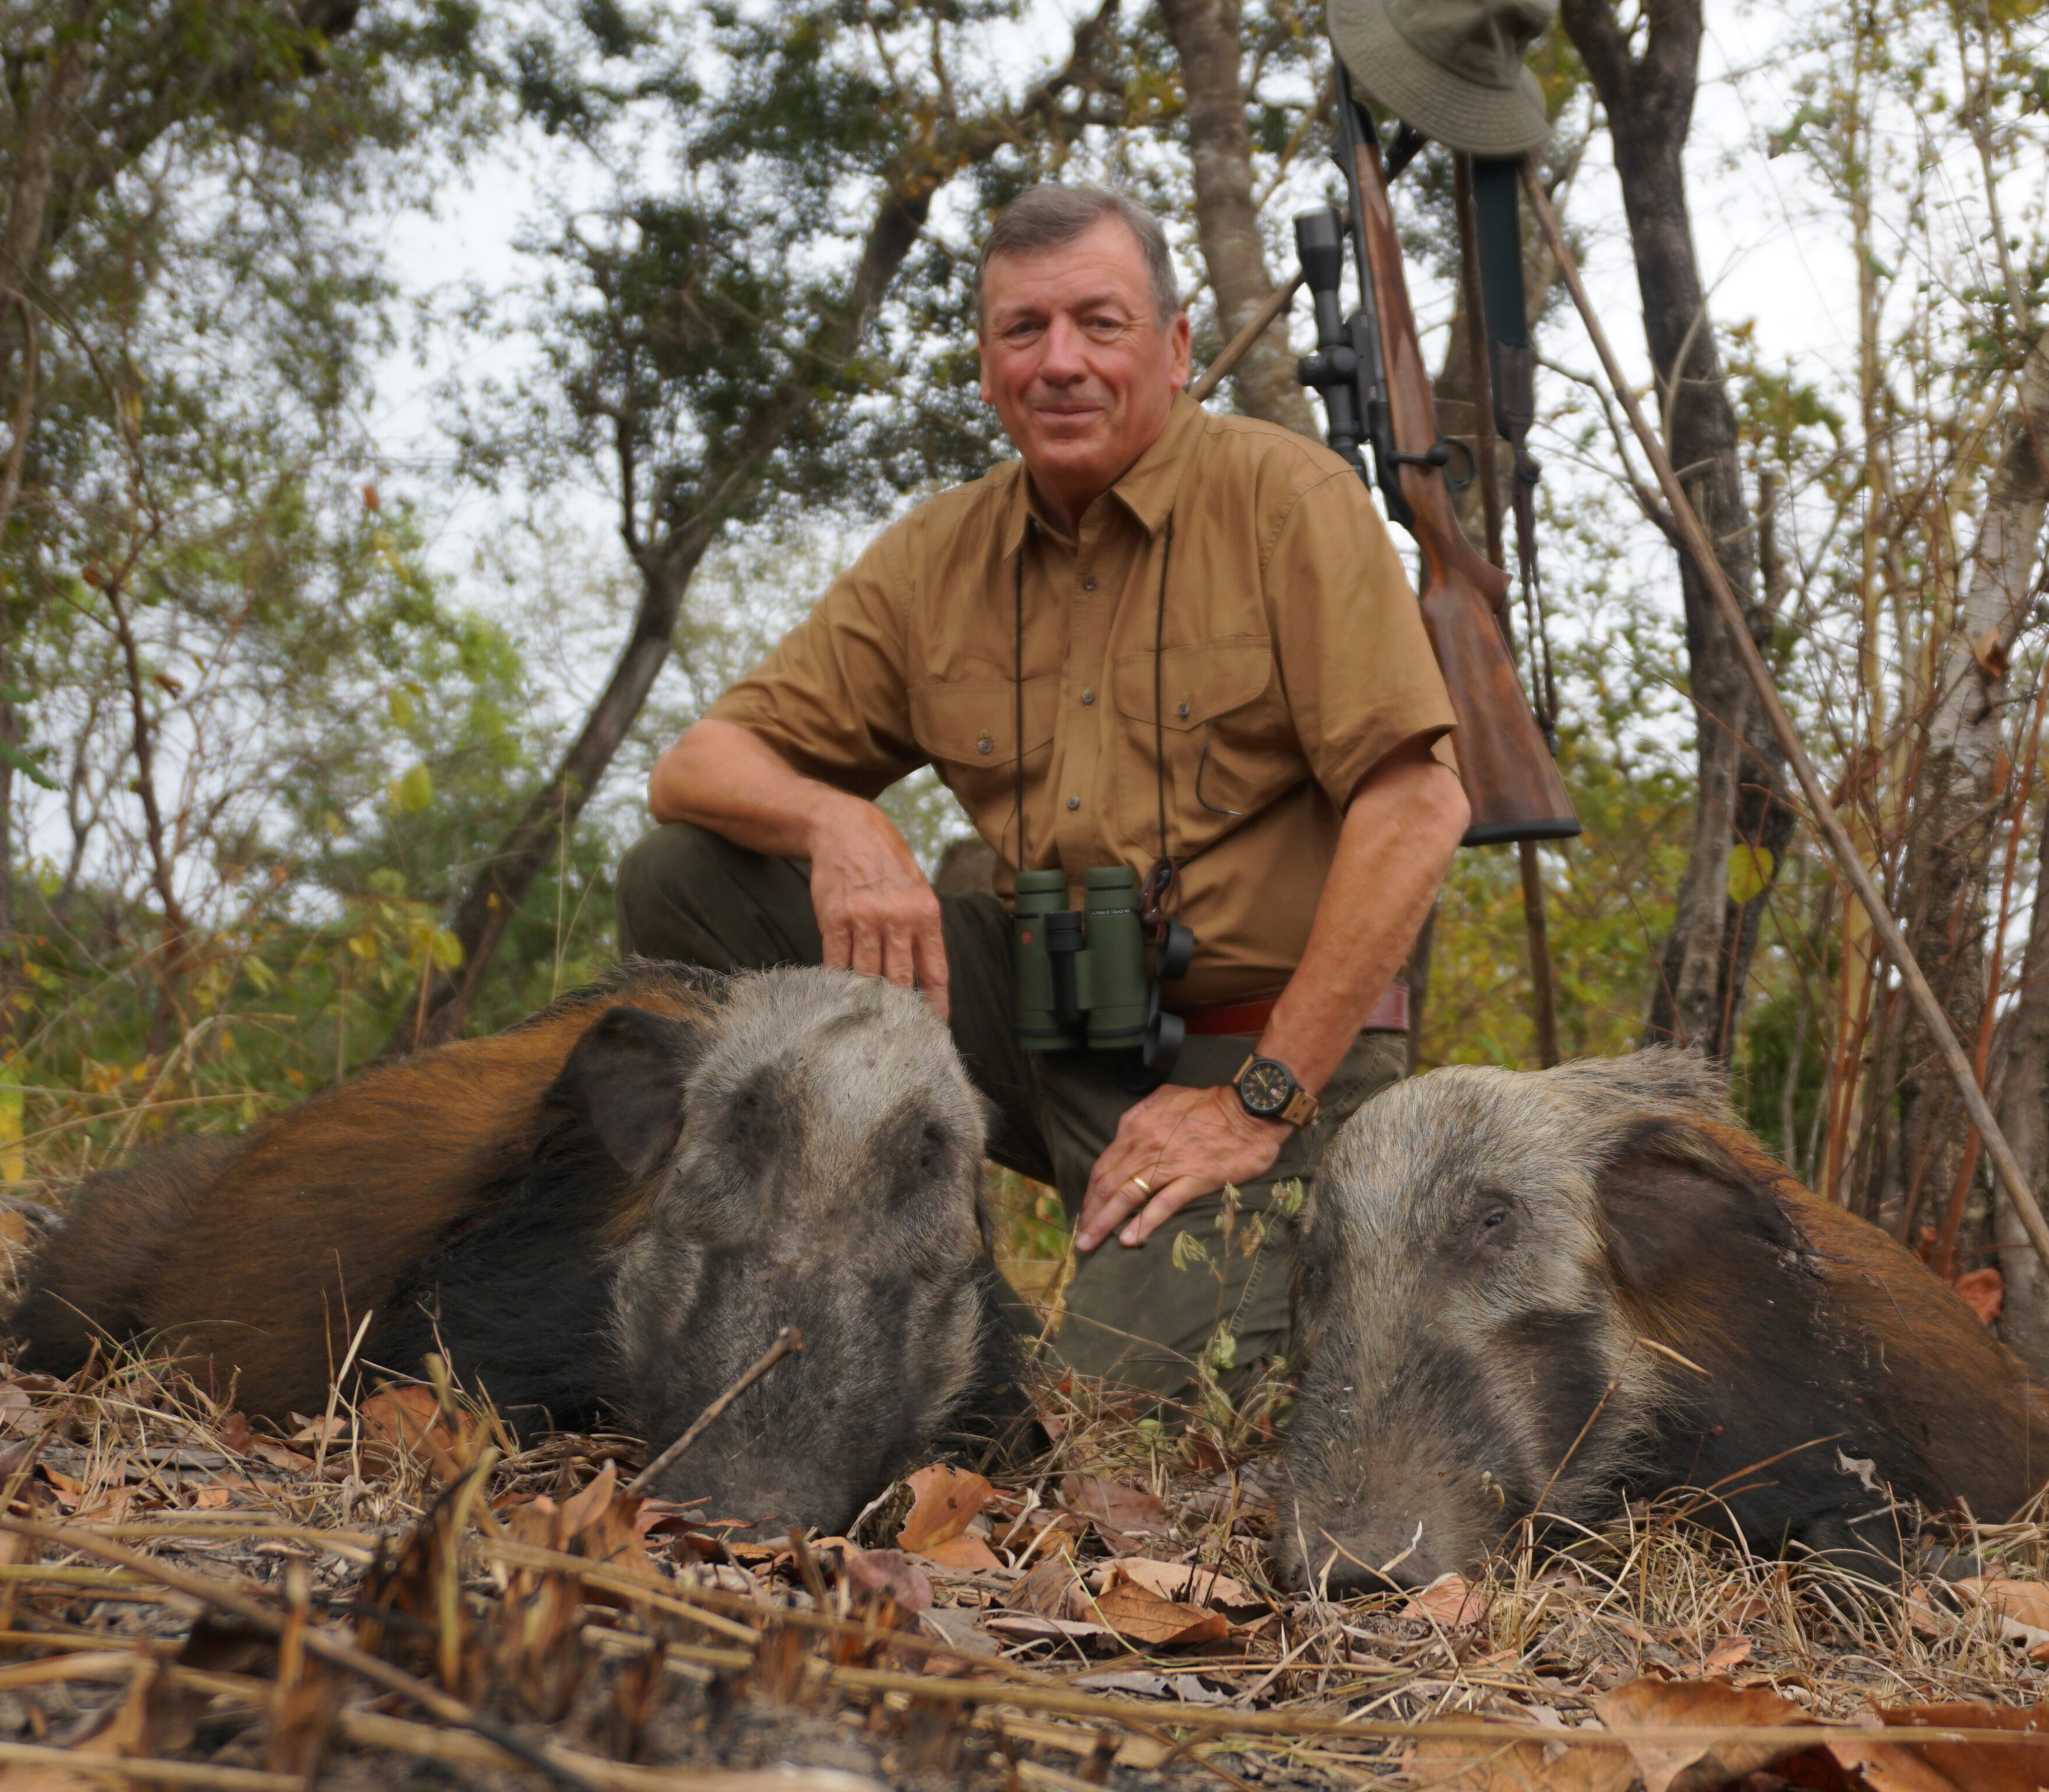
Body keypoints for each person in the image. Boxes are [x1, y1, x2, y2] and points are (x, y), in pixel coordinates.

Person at [620, 183, 1469, 1402]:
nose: (1060, 362)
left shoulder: (1290, 501)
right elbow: (693, 765)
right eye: (1024, 331)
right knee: (689, 878)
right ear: (985, 366)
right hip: (1045, 1018)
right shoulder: (938, 553)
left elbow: (1417, 806)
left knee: (1108, 1418)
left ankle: (1063, 1330)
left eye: (1100, 323)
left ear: (1175, 350)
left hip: (1255, 1053)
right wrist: (839, 820)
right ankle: (838, 1260)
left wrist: (1257, 1101)